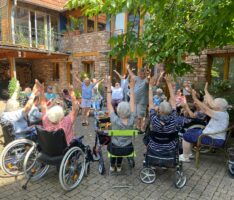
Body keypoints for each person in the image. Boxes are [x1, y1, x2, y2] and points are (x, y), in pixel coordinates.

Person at [179, 83, 229, 162]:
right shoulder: (223, 112)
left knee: (186, 135)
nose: (211, 104)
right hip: (212, 135)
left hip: (213, 139)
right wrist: (205, 90)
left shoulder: (219, 114)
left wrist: (195, 98)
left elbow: (205, 109)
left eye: (214, 104)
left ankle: (185, 157)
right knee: (190, 131)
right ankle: (189, 153)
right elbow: (210, 103)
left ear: (218, 107)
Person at [146, 74, 184, 156]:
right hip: (169, 149)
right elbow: (173, 102)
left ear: (159, 111)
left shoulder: (154, 120)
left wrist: (150, 86)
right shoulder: (174, 118)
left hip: (154, 148)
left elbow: (151, 103)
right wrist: (169, 83)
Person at [106, 75, 135, 172]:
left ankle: (112, 165)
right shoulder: (131, 120)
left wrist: (109, 89)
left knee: (114, 146)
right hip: (127, 149)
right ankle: (118, 166)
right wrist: (131, 89)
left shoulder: (114, 119)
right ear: (129, 111)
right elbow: (132, 105)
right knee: (121, 147)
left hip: (115, 148)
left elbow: (109, 104)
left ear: (117, 111)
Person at [127, 64, 149, 134]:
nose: (141, 75)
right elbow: (132, 75)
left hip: (142, 101)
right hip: (135, 101)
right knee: (136, 115)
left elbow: (148, 79)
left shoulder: (146, 79)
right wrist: (128, 68)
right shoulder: (137, 78)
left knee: (141, 115)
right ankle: (137, 127)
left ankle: (142, 129)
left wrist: (147, 71)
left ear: (144, 74)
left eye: (142, 74)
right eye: (140, 74)